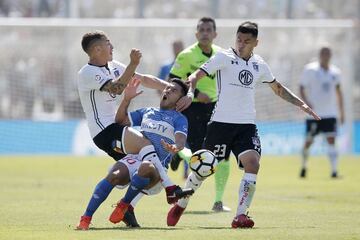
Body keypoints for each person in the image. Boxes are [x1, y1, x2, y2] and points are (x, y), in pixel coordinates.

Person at [169, 21, 320, 228]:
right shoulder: (224, 57)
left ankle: (240, 215)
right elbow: (196, 75)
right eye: (239, 39)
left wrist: (301, 103)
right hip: (220, 124)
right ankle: (182, 203)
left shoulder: (260, 64)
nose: (241, 44)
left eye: (246, 41)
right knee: (204, 169)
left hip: (246, 126)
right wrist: (189, 92)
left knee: (253, 163)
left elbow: (277, 88)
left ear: (256, 43)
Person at [76, 31, 191, 229]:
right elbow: (116, 88)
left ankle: (92, 218)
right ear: (97, 49)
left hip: (117, 129)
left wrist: (175, 90)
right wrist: (133, 64)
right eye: (108, 44)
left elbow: (144, 79)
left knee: (118, 175)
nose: (112, 47)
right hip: (104, 130)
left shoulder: (112, 66)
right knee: (146, 144)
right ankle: (170, 187)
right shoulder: (87, 72)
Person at [168, 17, 231, 212]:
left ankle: (218, 202)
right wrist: (195, 93)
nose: (205, 32)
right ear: (196, 34)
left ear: (215, 34)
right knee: (199, 156)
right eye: (201, 29)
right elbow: (172, 80)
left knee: (224, 156)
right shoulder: (186, 55)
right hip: (193, 108)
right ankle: (179, 151)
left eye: (208, 29)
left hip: (218, 110)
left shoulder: (223, 54)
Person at [299, 46, 344, 178]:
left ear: (331, 55)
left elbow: (339, 92)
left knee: (331, 140)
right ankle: (303, 166)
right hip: (314, 114)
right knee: (308, 141)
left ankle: (334, 171)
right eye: (323, 53)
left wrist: (342, 112)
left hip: (330, 113)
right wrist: (305, 103)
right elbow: (301, 87)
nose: (326, 56)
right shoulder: (310, 69)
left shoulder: (336, 72)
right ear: (320, 55)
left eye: (328, 53)